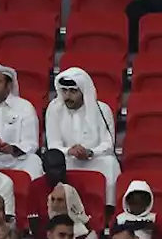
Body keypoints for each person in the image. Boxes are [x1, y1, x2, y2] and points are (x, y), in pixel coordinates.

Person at [44, 68, 118, 201]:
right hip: (67, 160)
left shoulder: (102, 109)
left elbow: (108, 144)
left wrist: (90, 152)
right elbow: (53, 145)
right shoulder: (54, 109)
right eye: (64, 91)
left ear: (83, 91)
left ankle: (108, 208)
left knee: (110, 163)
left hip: (94, 159)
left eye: (73, 91)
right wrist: (69, 151)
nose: (67, 96)